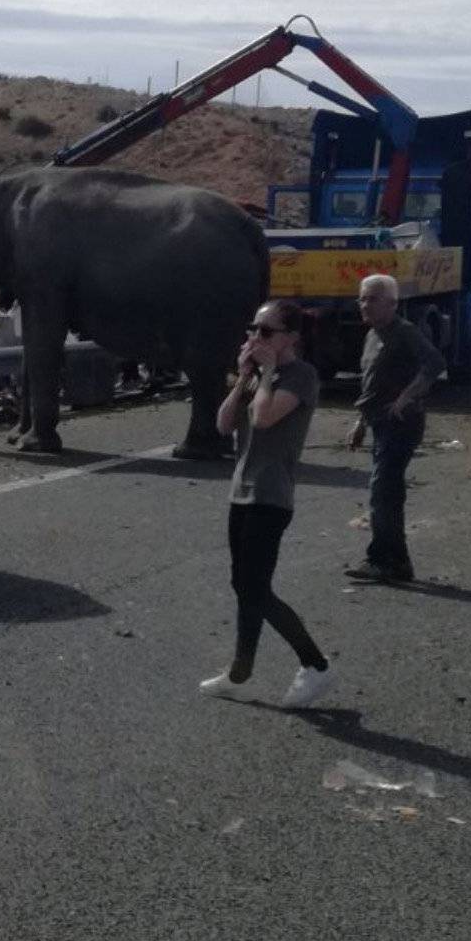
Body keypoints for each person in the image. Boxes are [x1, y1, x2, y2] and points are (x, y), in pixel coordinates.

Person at [199, 299, 334, 708]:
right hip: (241, 491)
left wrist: (270, 373)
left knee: (254, 587)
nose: (255, 338)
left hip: (271, 495)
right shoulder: (258, 376)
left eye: (266, 331)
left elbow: (264, 419)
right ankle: (240, 670)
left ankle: (316, 665)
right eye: (252, 329)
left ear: (291, 337)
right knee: (245, 586)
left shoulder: (300, 376)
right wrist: (243, 379)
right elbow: (223, 424)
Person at [345, 273, 446, 585]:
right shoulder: (372, 335)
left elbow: (434, 363)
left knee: (382, 492)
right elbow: (371, 384)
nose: (365, 305)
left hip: (402, 424)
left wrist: (405, 397)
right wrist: (360, 422)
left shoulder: (404, 332)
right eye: (362, 298)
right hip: (379, 421)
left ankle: (383, 560)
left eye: (372, 299)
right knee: (386, 493)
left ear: (392, 303)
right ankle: (396, 562)